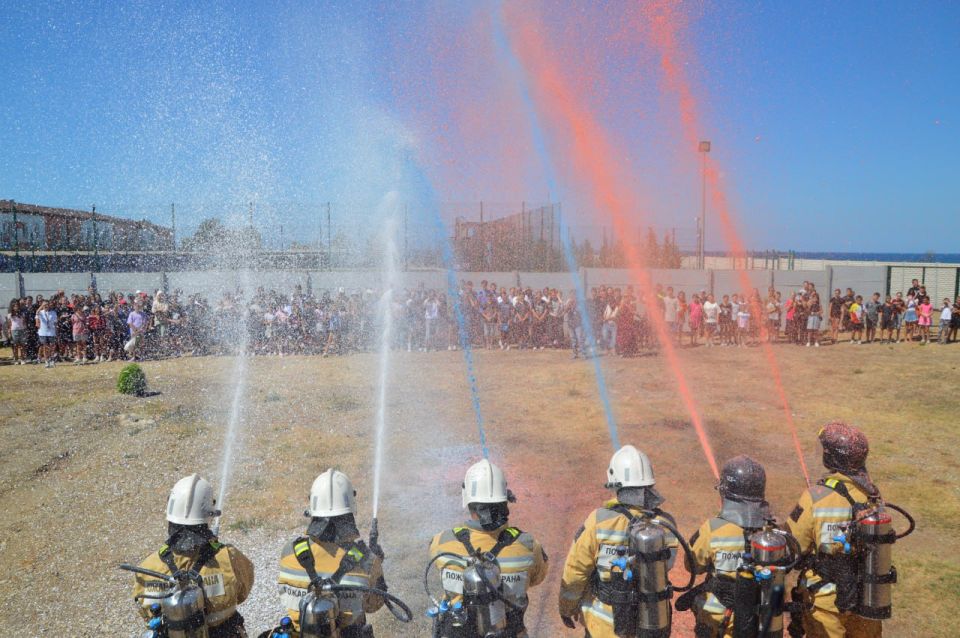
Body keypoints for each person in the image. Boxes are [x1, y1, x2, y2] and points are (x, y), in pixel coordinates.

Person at [558, 445, 679, 637]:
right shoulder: (666, 524)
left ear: (616, 484)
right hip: (650, 623)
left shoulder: (599, 521)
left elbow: (576, 571)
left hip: (604, 627)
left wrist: (567, 607)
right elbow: (667, 565)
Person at [787, 422, 888, 638]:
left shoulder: (815, 497)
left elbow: (794, 547)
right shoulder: (871, 495)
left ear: (832, 457)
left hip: (826, 602)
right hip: (867, 599)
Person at [428, 460, 548, 638]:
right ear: (504, 501)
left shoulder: (441, 542)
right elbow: (537, 578)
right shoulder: (528, 547)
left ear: (467, 500)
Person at [131, 474, 254, 637]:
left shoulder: (148, 567)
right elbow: (243, 593)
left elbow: (144, 612)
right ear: (208, 514)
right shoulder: (229, 558)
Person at [274, 469, 385, 637]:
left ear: (313, 508)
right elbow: (375, 604)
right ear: (349, 511)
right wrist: (376, 563)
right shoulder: (367, 561)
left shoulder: (289, 553)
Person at [681, 456, 775, 637]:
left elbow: (692, 565)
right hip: (760, 620)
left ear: (726, 493)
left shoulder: (713, 529)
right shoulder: (773, 532)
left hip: (718, 620)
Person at [35, 300, 58, 368]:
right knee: (45, 347)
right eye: (44, 305)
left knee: (52, 347)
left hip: (51, 332)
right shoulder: (40, 312)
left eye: (47, 304)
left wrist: (56, 331)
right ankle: (46, 361)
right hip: (43, 332)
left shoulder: (53, 312)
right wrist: (41, 306)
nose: (46, 306)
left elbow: (55, 322)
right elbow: (37, 313)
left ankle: (52, 360)